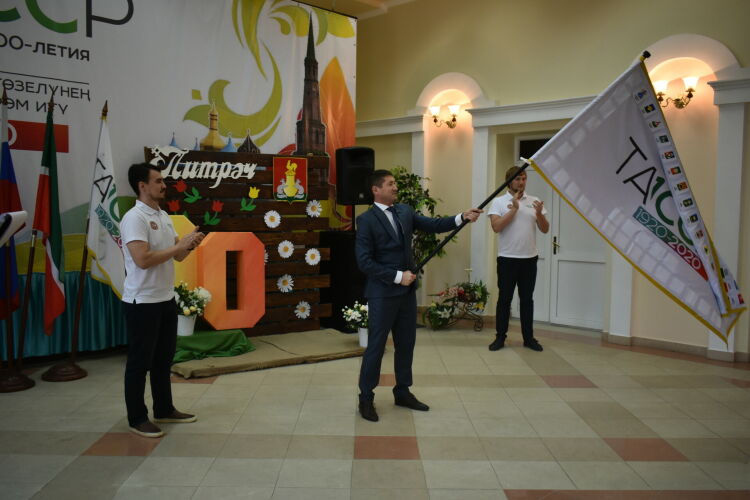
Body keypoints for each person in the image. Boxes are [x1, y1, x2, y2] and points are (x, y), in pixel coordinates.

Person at [355, 169, 482, 422]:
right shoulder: (366, 220)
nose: (395, 187)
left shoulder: (404, 211)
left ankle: (402, 392)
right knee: (376, 347)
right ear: (376, 190)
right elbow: (364, 262)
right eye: (390, 184)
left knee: (406, 344)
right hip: (383, 293)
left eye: (395, 183)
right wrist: (397, 276)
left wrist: (462, 217)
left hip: (406, 294)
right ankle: (366, 398)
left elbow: (433, 225)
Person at [121, 163, 205, 438]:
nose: (164, 185)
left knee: (163, 360)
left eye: (162, 180)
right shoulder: (134, 218)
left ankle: (164, 409)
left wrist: (189, 245)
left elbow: (177, 256)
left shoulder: (164, 216)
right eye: (157, 181)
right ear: (142, 186)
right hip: (142, 301)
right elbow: (142, 260)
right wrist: (178, 246)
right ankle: (137, 418)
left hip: (165, 298)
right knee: (139, 363)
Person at [487, 166, 549, 352]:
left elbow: (545, 229)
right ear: (509, 181)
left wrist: (539, 214)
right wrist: (513, 209)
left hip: (529, 259)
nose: (521, 182)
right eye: (517, 179)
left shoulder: (534, 201)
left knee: (527, 300)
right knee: (504, 300)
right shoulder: (498, 202)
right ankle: (500, 337)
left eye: (524, 179)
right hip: (507, 259)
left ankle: (529, 339)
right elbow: (496, 227)